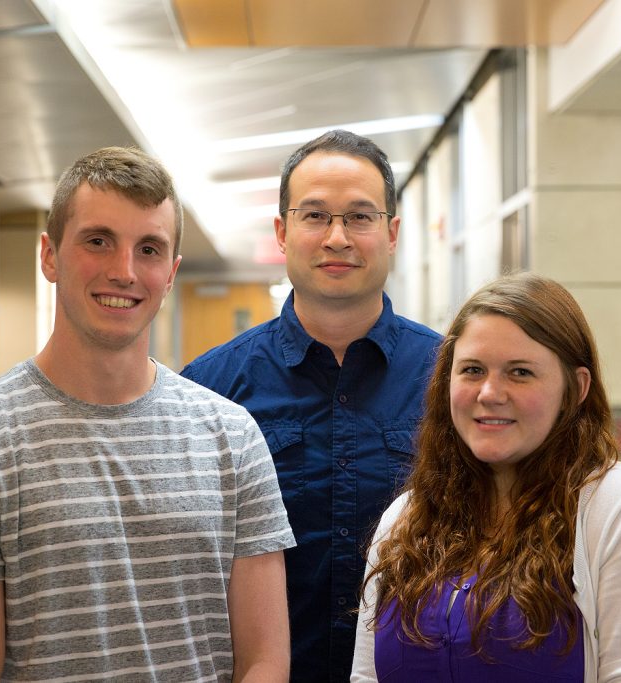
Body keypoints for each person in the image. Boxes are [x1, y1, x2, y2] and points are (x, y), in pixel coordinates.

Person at [0, 146, 295, 682]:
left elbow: (265, 662)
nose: (123, 271)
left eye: (148, 249)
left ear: (171, 272)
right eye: (98, 241)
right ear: (49, 255)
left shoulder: (233, 437)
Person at [181, 130, 442, 682]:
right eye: (316, 216)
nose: (338, 238)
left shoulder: (452, 381)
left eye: (360, 217)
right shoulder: (208, 390)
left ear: (392, 232)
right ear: (282, 231)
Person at [351, 273, 621, 682]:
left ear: (576, 388)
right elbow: (367, 676)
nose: (489, 393)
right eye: (472, 370)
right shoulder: (405, 518)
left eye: (519, 372)